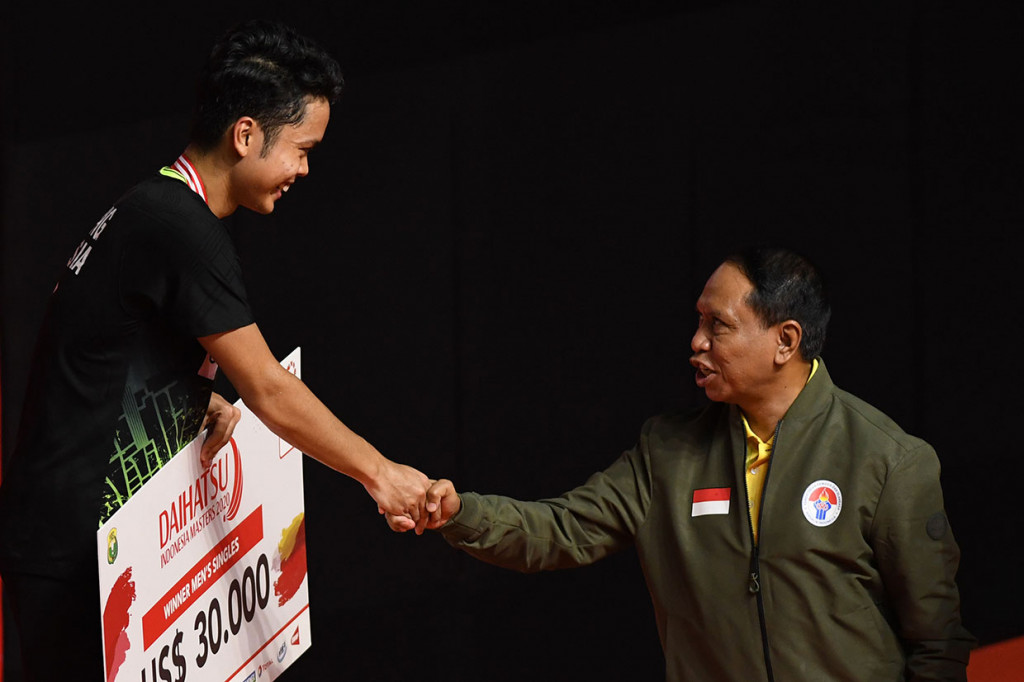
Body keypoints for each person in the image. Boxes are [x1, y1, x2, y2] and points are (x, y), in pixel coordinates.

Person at [0, 19, 431, 679]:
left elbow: (104, 355)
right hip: (76, 557)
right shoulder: (181, 226)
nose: (305, 169)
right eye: (302, 148)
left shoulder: (155, 209)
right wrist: (382, 474)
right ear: (246, 134)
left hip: (81, 544)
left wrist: (190, 400)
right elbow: (267, 387)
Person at [393, 247, 975, 681]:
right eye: (698, 322)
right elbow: (561, 531)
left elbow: (938, 642)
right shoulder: (667, 451)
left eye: (717, 326)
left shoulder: (890, 460)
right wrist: (459, 513)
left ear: (786, 340)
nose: (695, 343)